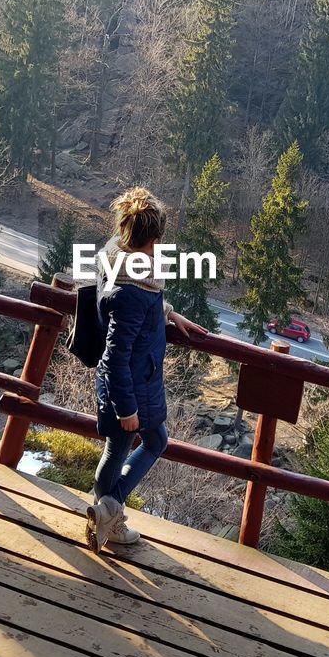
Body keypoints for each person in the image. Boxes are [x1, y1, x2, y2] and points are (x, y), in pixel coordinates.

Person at [86, 187, 207, 551]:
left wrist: (168, 313)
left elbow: (135, 309)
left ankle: (106, 513)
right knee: (146, 443)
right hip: (132, 386)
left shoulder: (116, 260)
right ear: (153, 238)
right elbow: (116, 354)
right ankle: (109, 510)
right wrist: (128, 409)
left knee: (123, 448)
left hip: (133, 382)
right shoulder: (132, 291)